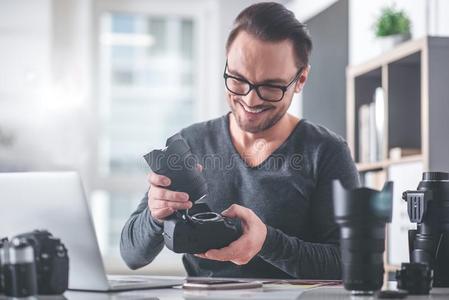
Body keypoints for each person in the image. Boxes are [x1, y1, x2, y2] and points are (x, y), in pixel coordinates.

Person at [120, 2, 360, 279]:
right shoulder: (190, 143)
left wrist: (267, 242)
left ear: (300, 79)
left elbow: (353, 265)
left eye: (270, 87)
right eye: (237, 79)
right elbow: (131, 255)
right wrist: (155, 214)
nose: (250, 99)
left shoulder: (326, 151)